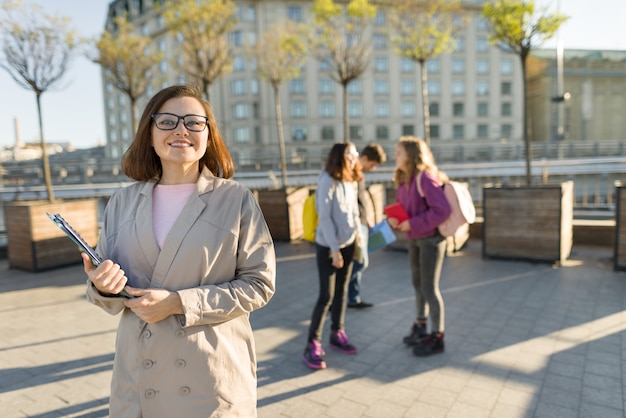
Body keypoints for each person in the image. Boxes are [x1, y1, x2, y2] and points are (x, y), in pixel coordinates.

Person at [81, 85, 276, 417]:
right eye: (167, 121)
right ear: (150, 134)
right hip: (138, 382)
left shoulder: (236, 200)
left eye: (193, 122)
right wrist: (102, 285)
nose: (181, 130)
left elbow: (260, 285)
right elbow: (106, 294)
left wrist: (178, 303)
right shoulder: (122, 202)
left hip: (208, 379)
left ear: (208, 135)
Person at [387, 136, 451, 357]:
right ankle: (421, 325)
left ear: (412, 155)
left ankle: (437, 336)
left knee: (430, 288)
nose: (395, 156)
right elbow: (407, 209)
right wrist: (397, 220)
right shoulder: (404, 179)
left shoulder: (425, 178)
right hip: (414, 238)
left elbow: (442, 210)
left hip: (431, 240)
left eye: (399, 153)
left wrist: (411, 223)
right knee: (418, 285)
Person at [302, 142, 362, 370]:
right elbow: (324, 217)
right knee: (326, 295)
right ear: (339, 156)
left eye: (355, 153)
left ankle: (338, 332)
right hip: (329, 246)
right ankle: (312, 344)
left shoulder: (350, 179)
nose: (354, 157)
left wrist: (357, 243)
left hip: (348, 243)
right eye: (350, 153)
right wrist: (335, 250)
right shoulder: (327, 180)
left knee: (342, 291)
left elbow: (354, 212)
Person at [347, 143, 387, 309]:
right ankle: (349, 297)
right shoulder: (352, 173)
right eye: (373, 164)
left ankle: (352, 297)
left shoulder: (358, 173)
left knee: (359, 262)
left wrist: (367, 219)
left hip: (362, 222)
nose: (374, 168)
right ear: (364, 158)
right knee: (359, 262)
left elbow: (360, 200)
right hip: (356, 225)